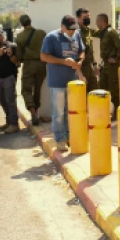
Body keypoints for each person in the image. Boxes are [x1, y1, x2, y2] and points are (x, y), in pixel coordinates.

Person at [40, 15, 84, 152]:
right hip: (57, 82)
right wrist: (64, 61)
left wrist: (80, 62)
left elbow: (82, 51)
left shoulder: (77, 35)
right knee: (59, 112)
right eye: (69, 29)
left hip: (73, 82)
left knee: (71, 111)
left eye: (73, 29)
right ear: (62, 26)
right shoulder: (51, 37)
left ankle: (70, 136)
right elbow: (44, 56)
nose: (71, 32)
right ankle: (60, 139)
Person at [14, 14, 46, 125]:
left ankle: (32, 110)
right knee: (37, 88)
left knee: (26, 90)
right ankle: (36, 111)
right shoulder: (41, 33)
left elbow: (18, 55)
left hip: (28, 64)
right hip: (42, 64)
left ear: (22, 24)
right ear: (30, 21)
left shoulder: (20, 37)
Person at [0, 29, 20, 133]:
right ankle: (9, 122)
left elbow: (17, 62)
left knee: (10, 100)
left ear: (1, 36)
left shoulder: (12, 46)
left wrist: (10, 55)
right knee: (2, 101)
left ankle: (14, 124)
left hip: (8, 77)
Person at [95, 13, 120, 119]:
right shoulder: (102, 32)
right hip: (105, 65)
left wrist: (117, 59)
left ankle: (116, 112)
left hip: (113, 67)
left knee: (114, 89)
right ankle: (104, 112)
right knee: (102, 87)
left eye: (97, 21)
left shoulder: (111, 32)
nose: (96, 23)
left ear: (103, 21)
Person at [75, 8, 99, 92]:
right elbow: (76, 53)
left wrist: (95, 65)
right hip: (81, 67)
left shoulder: (88, 31)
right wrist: (79, 72)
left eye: (88, 16)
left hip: (89, 65)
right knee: (83, 91)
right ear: (78, 18)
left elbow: (90, 49)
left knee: (94, 90)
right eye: (84, 17)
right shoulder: (76, 33)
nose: (87, 19)